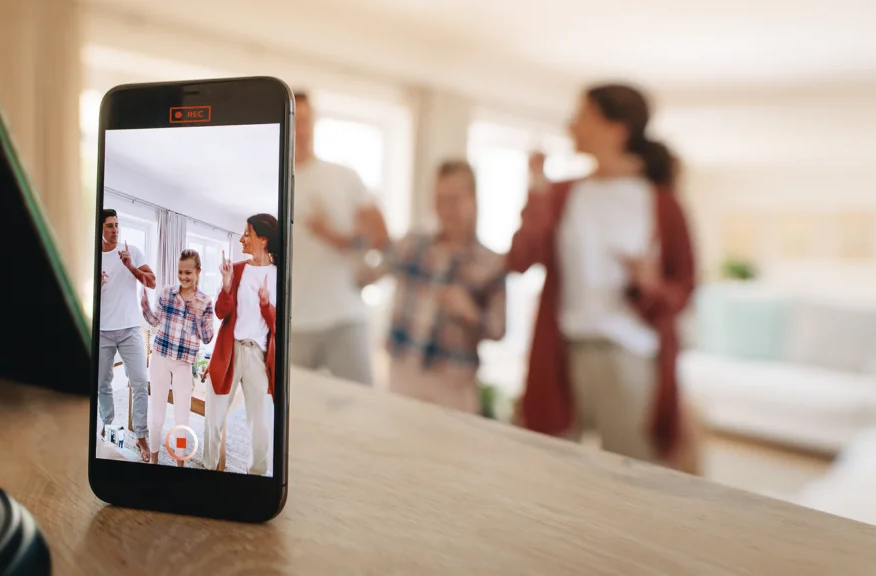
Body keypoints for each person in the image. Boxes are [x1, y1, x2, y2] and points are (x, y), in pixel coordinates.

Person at [508, 84, 696, 466]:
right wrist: (537, 191)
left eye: (582, 116)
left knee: (632, 480)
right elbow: (521, 259)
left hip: (628, 358)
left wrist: (650, 286)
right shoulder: (562, 193)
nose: (571, 125)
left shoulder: (661, 203)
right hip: (562, 355)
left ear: (617, 129)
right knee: (551, 470)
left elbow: (685, 289)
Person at [358, 160, 506, 413]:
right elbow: (364, 277)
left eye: (454, 200)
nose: (446, 210)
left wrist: (469, 312)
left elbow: (498, 329)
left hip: (455, 383)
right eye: (440, 200)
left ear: (473, 199)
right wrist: (369, 239)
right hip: (404, 373)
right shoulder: (413, 245)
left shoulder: (491, 262)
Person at [289, 91, 387, 385]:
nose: (301, 130)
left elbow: (380, 238)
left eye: (307, 121)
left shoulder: (344, 177)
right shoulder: (272, 180)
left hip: (344, 316)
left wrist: (331, 234)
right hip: (293, 323)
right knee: (292, 416)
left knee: (361, 408)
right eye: (295, 121)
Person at [203, 214, 278, 475]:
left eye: (247, 233)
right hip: (230, 351)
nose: (241, 238)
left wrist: (266, 303)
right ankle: (207, 471)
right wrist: (225, 286)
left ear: (263, 239)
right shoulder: (235, 270)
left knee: (261, 427)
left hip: (258, 355)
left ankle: (256, 478)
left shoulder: (279, 275)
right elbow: (221, 313)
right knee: (213, 419)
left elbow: (278, 326)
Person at [141, 249, 215, 467]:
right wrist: (144, 305)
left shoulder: (204, 301)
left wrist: (198, 315)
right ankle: (154, 458)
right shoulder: (167, 293)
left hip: (184, 364)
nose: (183, 277)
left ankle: (180, 463)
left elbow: (208, 337)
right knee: (157, 414)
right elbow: (154, 321)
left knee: (182, 418)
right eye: (180, 272)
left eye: (188, 273)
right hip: (160, 359)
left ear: (198, 272)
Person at [98, 208, 156, 462]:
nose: (114, 229)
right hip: (101, 331)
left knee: (141, 382)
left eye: (117, 224)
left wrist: (130, 266)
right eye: (109, 225)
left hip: (130, 329)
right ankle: (106, 425)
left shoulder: (131, 252)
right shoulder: (93, 256)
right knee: (102, 384)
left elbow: (151, 282)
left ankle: (141, 435)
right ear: (100, 228)